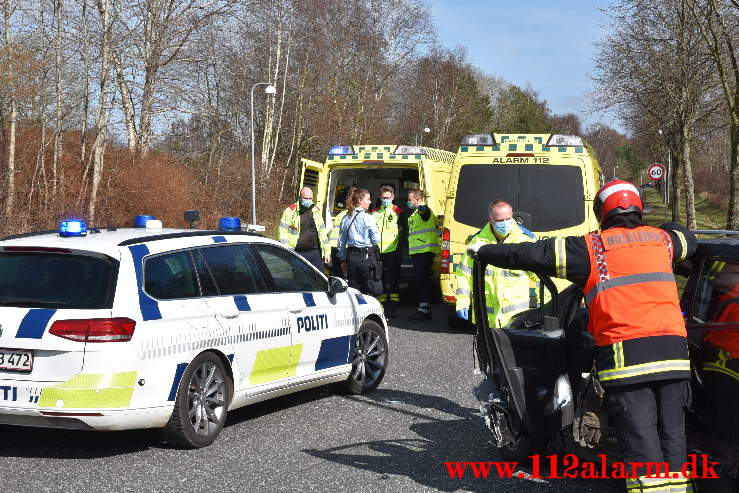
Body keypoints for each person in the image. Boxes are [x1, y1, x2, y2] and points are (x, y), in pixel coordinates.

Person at [468, 179, 697, 493]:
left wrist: (487, 251)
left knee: (643, 448)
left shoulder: (592, 248)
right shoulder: (664, 242)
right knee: (674, 442)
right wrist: (665, 225)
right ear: (638, 209)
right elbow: (687, 237)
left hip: (628, 363)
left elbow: (533, 254)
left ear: (601, 212)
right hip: (675, 359)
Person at [455, 199, 538, 328]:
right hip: (486, 318)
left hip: (516, 319)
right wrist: (462, 301)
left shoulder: (525, 241)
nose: (505, 223)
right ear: (490, 219)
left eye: (508, 219)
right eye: (500, 220)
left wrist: (546, 307)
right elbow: (465, 274)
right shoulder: (478, 241)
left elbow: (541, 276)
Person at [700, 260, 739, 447]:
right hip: (729, 366)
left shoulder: (730, 293)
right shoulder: (733, 293)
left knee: (719, 427)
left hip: (719, 363)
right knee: (724, 431)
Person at [337, 187, 380, 294]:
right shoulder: (368, 217)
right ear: (360, 201)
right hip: (365, 257)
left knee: (354, 289)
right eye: (368, 199)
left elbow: (341, 242)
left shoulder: (346, 218)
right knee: (370, 288)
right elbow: (376, 239)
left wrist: (343, 259)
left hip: (351, 257)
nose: (370, 202)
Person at [278, 187, 331, 273]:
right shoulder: (290, 211)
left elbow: (322, 233)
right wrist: (287, 251)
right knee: (300, 280)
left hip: (314, 252)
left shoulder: (316, 211)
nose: (308, 201)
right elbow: (282, 232)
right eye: (306, 198)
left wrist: (327, 251)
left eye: (310, 198)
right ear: (300, 197)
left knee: (320, 278)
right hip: (298, 253)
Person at [407, 188, 440, 321]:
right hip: (418, 252)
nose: (408, 202)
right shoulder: (414, 214)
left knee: (423, 280)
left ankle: (424, 310)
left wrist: (422, 207)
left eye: (410, 200)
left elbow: (425, 213)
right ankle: (423, 309)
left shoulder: (424, 210)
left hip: (424, 252)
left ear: (417, 199)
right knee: (420, 280)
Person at [372, 185, 403, 317]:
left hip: (393, 250)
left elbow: (403, 230)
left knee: (394, 278)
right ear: (380, 197)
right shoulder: (374, 212)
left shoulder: (398, 212)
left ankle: (394, 306)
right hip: (379, 251)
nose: (386, 200)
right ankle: (383, 305)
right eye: (384, 197)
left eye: (388, 198)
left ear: (393, 197)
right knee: (380, 278)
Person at [327, 190, 349, 278]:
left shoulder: (341, 214)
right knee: (343, 272)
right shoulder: (348, 215)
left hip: (334, 246)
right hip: (343, 247)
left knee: (337, 272)